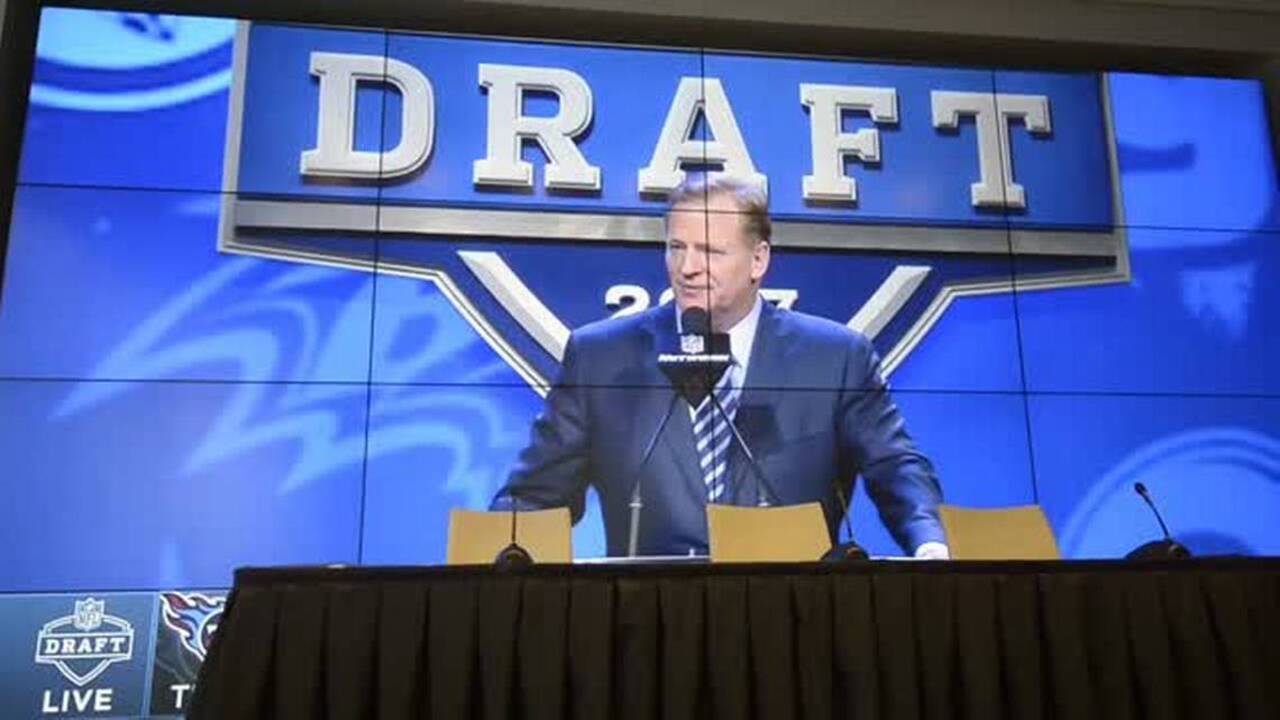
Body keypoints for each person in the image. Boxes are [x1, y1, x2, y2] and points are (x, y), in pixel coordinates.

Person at [491, 174, 949, 559]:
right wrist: (499, 558)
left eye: (709, 251)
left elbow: (898, 468)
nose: (687, 267)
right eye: (676, 247)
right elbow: (531, 499)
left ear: (758, 260)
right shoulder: (602, 358)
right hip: (647, 627)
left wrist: (931, 547)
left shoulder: (837, 358)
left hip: (798, 621)